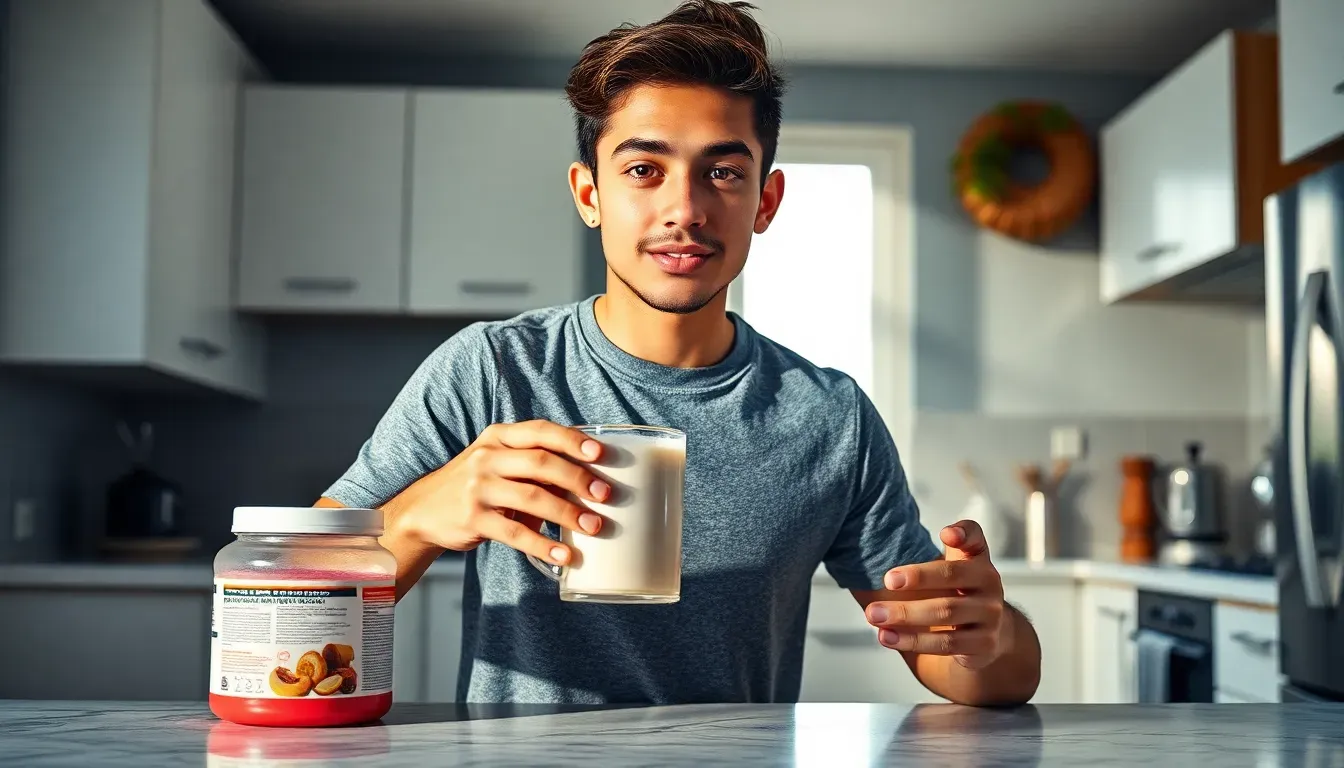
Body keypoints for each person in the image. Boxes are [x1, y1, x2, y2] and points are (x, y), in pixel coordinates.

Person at [317, 0, 1041, 707]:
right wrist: (413, 521)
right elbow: (294, 605)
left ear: (765, 202)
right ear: (589, 193)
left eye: (723, 172)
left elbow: (967, 661)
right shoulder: (490, 372)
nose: (685, 210)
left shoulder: (830, 416)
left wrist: (990, 637)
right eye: (643, 170)